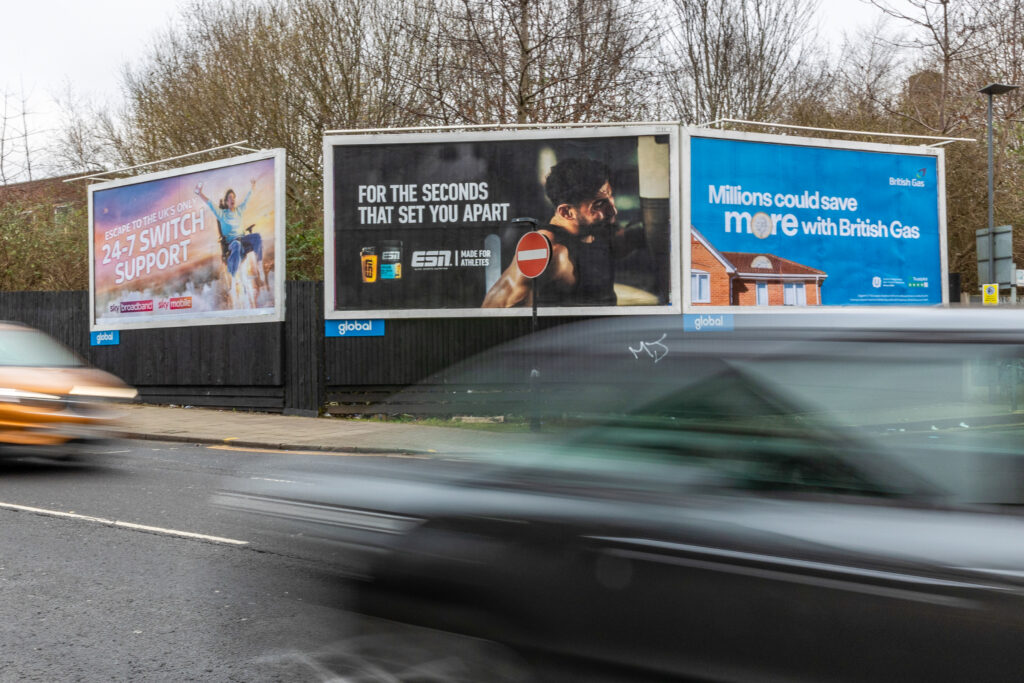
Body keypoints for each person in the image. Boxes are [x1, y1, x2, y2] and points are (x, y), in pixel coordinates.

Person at [482, 158, 640, 308]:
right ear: (566, 212)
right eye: (598, 205)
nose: (613, 211)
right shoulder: (547, 251)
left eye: (611, 198)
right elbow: (494, 308)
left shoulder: (599, 229)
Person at [196, 178, 268, 286]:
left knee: (257, 237)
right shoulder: (222, 214)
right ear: (226, 201)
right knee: (236, 244)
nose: (232, 199)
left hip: (243, 240)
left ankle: (259, 266)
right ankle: (234, 277)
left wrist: (252, 187)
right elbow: (210, 204)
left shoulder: (239, 210)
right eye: (229, 198)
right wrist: (200, 193)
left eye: (233, 197)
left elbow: (247, 200)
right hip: (232, 243)